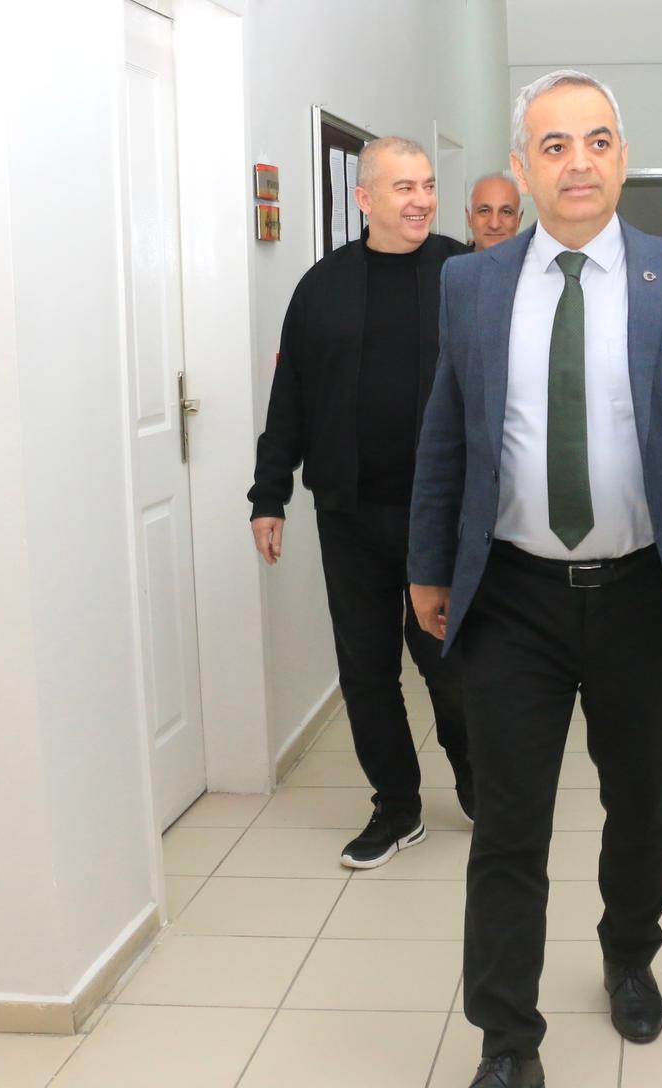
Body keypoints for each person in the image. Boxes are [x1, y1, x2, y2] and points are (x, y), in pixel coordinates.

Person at [408, 70, 662, 1088]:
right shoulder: (472, 286)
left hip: (643, 592)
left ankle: (629, 953)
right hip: (512, 595)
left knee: (640, 803)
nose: (576, 162)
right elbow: (447, 432)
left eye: (595, 141)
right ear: (522, 167)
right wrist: (426, 565)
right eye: (553, 145)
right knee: (509, 824)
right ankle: (506, 1036)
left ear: (622, 158)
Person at [248, 136, 472, 870]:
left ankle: (479, 782)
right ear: (365, 198)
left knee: (449, 662)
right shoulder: (323, 288)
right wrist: (269, 493)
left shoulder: (463, 275)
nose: (421, 200)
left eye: (428, 185)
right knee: (366, 671)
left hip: (441, 515)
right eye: (404, 187)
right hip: (348, 513)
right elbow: (291, 395)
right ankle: (397, 808)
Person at [467, 172, 522, 251]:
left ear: (519, 220)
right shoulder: (453, 259)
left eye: (506, 212)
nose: (494, 225)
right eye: (484, 211)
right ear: (469, 218)